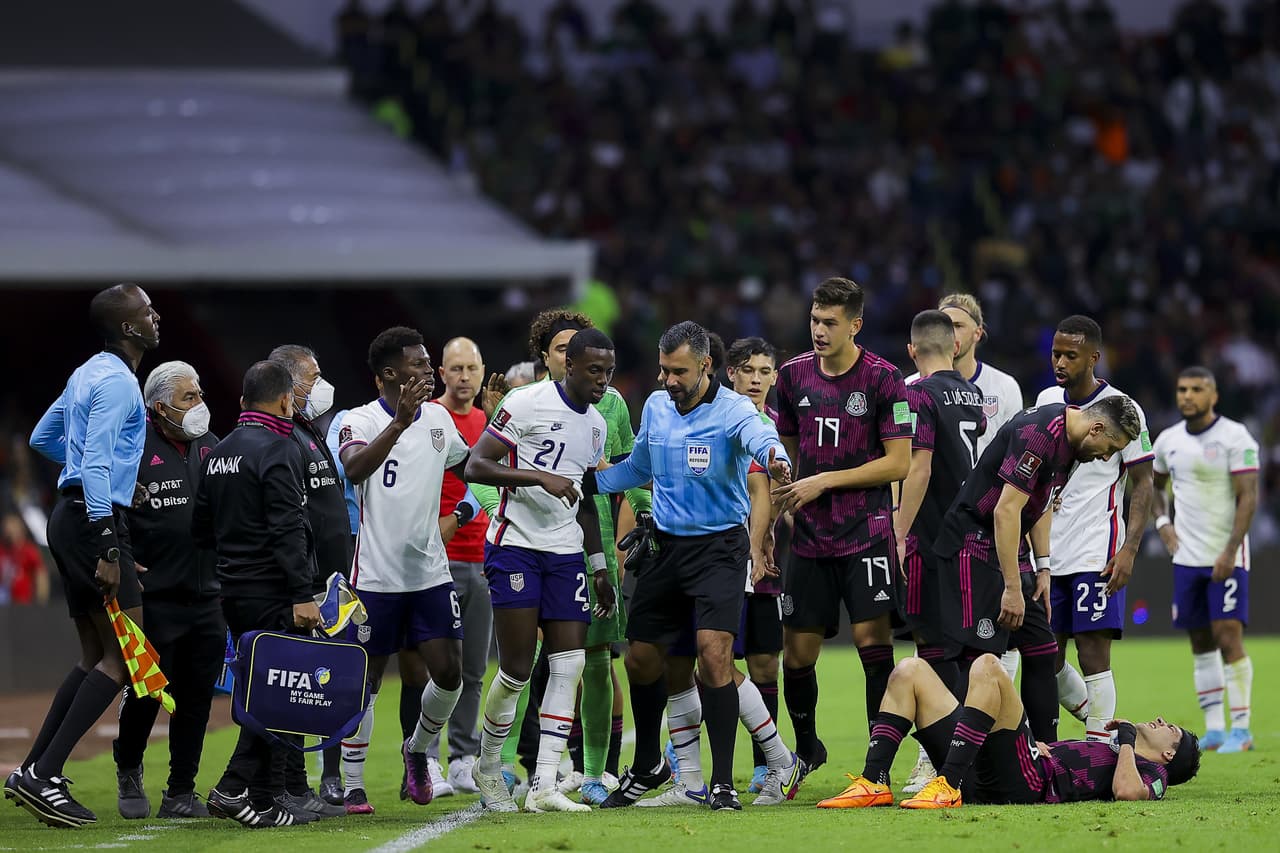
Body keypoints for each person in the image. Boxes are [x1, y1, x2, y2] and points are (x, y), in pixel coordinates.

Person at [590, 321, 793, 812]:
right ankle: (647, 769)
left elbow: (762, 437)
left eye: (678, 371)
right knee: (641, 658)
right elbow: (640, 466)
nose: (667, 380)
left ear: (705, 366)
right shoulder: (658, 406)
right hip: (664, 547)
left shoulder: (732, 411)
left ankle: (721, 782)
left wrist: (778, 458)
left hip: (719, 549)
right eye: (663, 370)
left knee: (714, 657)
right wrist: (588, 481)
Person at [10, 284, 159, 828]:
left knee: (92, 652)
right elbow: (93, 463)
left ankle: (32, 770)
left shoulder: (87, 371)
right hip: (92, 523)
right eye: (146, 311)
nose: (156, 316)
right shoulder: (120, 381)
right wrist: (108, 539)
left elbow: (44, 437)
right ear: (127, 328)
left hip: (70, 517)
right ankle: (46, 774)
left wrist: (116, 482)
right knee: (125, 654)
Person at [770, 277, 912, 803]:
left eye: (830, 322)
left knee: (872, 646)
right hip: (807, 536)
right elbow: (783, 448)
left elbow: (898, 461)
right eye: (814, 320)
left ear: (855, 324)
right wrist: (782, 497)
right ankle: (808, 747)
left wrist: (823, 480)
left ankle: (877, 770)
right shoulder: (792, 377)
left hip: (866, 533)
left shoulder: (883, 379)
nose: (819, 331)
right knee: (797, 654)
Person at [466, 328, 617, 814]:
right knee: (515, 669)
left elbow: (588, 499)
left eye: (609, 372)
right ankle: (488, 767)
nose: (602, 380)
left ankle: (545, 784)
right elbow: (476, 465)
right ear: (568, 365)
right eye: (594, 370)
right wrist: (538, 476)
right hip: (515, 546)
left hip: (565, 553)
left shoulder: (596, 424)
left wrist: (598, 566)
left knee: (568, 663)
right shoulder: (525, 403)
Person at [933, 395, 1142, 733]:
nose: (1106, 456)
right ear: (1097, 427)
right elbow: (1005, 511)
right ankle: (956, 768)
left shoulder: (1072, 447)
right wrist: (1013, 588)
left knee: (1043, 649)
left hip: (1008, 548)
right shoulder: (1039, 434)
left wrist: (1043, 567)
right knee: (979, 658)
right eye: (1110, 446)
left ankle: (1047, 757)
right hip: (971, 545)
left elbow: (1042, 504)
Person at [337, 327, 472, 814]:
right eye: (418, 364)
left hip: (430, 573)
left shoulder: (438, 417)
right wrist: (399, 422)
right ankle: (354, 784)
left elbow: (470, 467)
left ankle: (417, 750)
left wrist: (504, 450)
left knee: (450, 674)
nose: (429, 371)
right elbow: (353, 470)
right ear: (390, 374)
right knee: (365, 681)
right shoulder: (360, 419)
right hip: (375, 577)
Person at [524, 310, 651, 806]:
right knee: (528, 658)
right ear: (551, 356)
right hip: (526, 541)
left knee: (595, 658)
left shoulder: (610, 404)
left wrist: (642, 521)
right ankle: (521, 764)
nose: (573, 357)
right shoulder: (524, 401)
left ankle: (595, 771)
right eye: (561, 348)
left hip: (587, 535)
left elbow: (624, 471)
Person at [901, 292, 1026, 793]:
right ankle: (975, 753)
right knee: (974, 650)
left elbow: (918, 466)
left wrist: (895, 528)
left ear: (912, 351)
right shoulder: (973, 396)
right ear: (953, 348)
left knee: (937, 648)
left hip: (936, 538)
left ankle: (942, 758)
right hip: (977, 537)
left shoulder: (918, 394)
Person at [193, 360, 322, 829]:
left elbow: (201, 529)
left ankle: (267, 798)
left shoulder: (220, 452)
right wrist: (302, 593)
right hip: (275, 592)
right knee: (279, 694)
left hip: (233, 591)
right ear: (286, 399)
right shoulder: (278, 448)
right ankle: (232, 787)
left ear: (245, 400)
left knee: (264, 689)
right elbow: (288, 527)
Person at [825, 654, 1199, 808]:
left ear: (1169, 754)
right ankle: (874, 781)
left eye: (1172, 731)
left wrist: (1129, 739)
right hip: (1009, 766)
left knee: (988, 665)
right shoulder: (1124, 757)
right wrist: (1031, 742)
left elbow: (1128, 792)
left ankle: (947, 786)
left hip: (1028, 782)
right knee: (910, 670)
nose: (1162, 721)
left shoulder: (1156, 774)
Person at [113, 361, 224, 821]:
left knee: (197, 698)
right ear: (159, 407)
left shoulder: (214, 449)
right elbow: (106, 508)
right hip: (152, 599)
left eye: (198, 394)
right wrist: (120, 556)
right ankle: (128, 766)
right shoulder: (132, 449)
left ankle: (180, 790)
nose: (199, 405)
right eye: (187, 398)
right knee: (146, 693)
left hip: (209, 597)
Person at [1034, 317, 1153, 742]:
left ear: (1094, 358)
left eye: (1071, 355)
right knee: (1044, 654)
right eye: (1056, 353)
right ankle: (1093, 721)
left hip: (1094, 549)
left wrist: (1130, 549)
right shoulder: (1047, 399)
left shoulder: (1124, 408)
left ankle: (1100, 751)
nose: (1060, 362)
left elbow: (1144, 483)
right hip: (1047, 549)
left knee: (1093, 653)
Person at [1152, 367, 1259, 753]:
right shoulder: (1168, 440)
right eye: (1182, 389)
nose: (1187, 396)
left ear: (1213, 396)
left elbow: (1248, 497)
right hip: (1186, 557)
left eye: (1197, 389)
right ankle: (1215, 728)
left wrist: (1231, 549)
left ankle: (1242, 728)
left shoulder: (1235, 436)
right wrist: (1163, 523)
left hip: (1226, 555)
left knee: (1228, 635)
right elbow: (1154, 486)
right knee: (1199, 639)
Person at [268, 345, 351, 819]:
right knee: (296, 686)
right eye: (314, 377)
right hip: (308, 585)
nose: (322, 386)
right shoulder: (287, 439)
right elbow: (292, 520)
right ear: (291, 385)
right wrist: (304, 587)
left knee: (320, 685)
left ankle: (313, 781)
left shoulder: (308, 430)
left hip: (330, 581)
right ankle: (287, 785)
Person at [424, 337, 494, 795]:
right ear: (442, 373)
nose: (465, 376)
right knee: (435, 666)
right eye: (456, 368)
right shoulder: (427, 417)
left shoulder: (490, 422)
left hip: (483, 555)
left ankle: (463, 758)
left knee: (473, 668)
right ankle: (426, 757)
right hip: (436, 559)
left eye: (471, 367)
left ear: (482, 371)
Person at [724, 336, 788, 795]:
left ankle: (766, 763)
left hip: (765, 561)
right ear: (730, 373)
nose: (757, 379)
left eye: (766, 372)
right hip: (725, 557)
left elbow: (779, 489)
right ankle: (681, 758)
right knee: (712, 658)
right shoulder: (720, 420)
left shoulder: (778, 425)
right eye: (748, 370)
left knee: (765, 663)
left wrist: (768, 533)